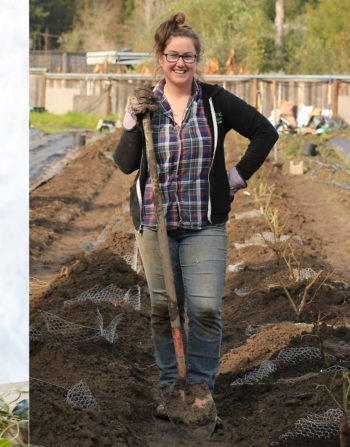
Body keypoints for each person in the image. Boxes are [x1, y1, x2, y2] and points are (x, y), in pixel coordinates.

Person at [113, 12, 278, 416]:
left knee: (205, 310)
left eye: (188, 56)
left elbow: (265, 131)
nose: (180, 64)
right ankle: (171, 388)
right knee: (164, 310)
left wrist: (235, 178)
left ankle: (201, 390)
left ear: (197, 58)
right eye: (173, 56)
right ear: (161, 57)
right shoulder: (147, 105)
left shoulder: (215, 101)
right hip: (156, 224)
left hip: (203, 224)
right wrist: (132, 124)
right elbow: (125, 164)